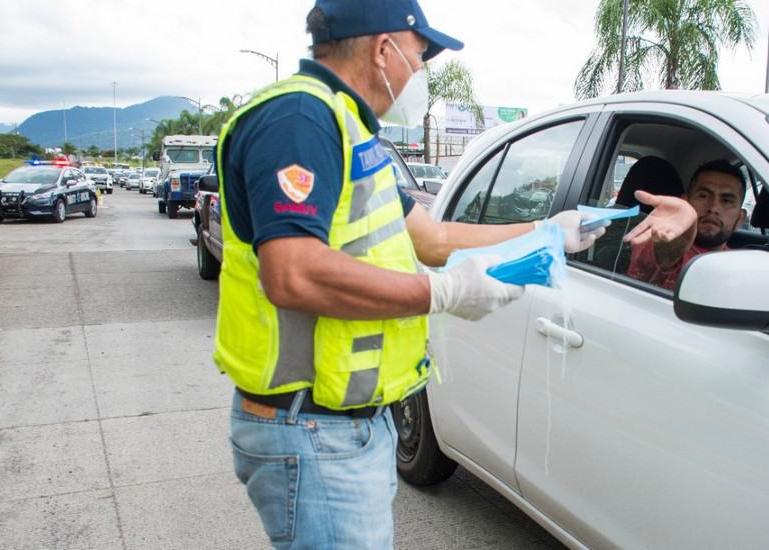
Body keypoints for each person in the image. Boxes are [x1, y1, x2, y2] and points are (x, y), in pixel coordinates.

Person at [215, 1, 606, 548]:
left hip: (344, 425)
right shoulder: (301, 121)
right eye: (420, 57)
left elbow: (433, 238)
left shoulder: (348, 129)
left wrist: (546, 230)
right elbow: (294, 273)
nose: (419, 74)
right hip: (311, 425)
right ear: (383, 50)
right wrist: (442, 293)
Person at [624, 160, 747, 290]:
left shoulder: (739, 270)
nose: (713, 207)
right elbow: (664, 255)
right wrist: (678, 234)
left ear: (740, 218)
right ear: (685, 202)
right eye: (703, 196)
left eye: (726, 201)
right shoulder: (656, 237)